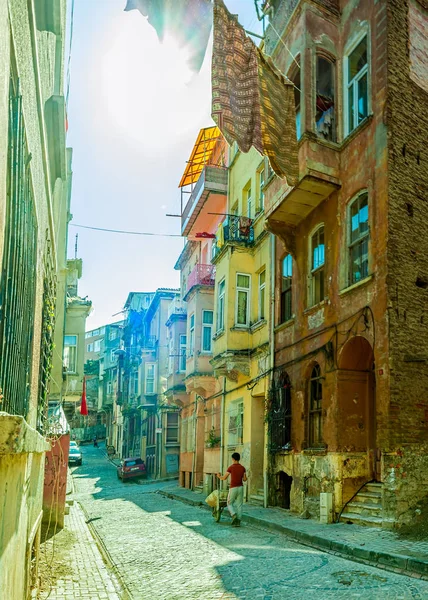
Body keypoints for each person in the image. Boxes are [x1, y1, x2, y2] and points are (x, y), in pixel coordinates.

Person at [217, 452, 247, 527]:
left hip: (233, 487)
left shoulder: (231, 467)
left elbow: (224, 478)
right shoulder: (243, 468)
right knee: (239, 505)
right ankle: (238, 521)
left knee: (229, 503)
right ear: (239, 459)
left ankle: (233, 515)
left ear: (233, 459)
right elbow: (244, 479)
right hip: (240, 487)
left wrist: (219, 476)